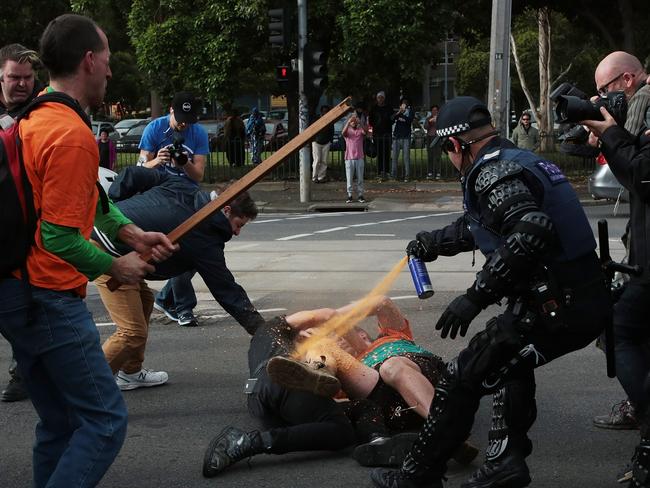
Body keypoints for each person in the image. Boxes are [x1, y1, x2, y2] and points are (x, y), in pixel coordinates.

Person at [370, 96, 611, 488]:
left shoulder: (492, 171)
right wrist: (432, 242)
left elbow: (531, 228)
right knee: (510, 367)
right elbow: (486, 223)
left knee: (459, 379)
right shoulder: (517, 160)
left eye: (445, 151)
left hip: (557, 305)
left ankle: (417, 477)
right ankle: (505, 464)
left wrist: (474, 297)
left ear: (455, 145)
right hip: (579, 299)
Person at [0, 14, 176, 487]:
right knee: (104, 422)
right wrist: (117, 264)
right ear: (90, 60)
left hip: (16, 291)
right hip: (48, 296)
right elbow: (56, 237)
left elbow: (90, 202)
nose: (111, 74)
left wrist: (132, 234)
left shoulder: (37, 114)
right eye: (109, 62)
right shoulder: (71, 134)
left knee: (58, 424)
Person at [93, 166, 265, 389]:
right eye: (238, 224)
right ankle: (86, 389)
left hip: (119, 250)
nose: (237, 232)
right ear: (226, 209)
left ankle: (130, 372)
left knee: (145, 301)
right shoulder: (206, 237)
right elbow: (227, 291)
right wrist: (262, 329)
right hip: (110, 253)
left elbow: (133, 174)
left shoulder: (183, 185)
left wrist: (114, 206)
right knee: (132, 332)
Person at [590, 51, 650, 431]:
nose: (601, 100)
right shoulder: (639, 105)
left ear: (626, 81)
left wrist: (608, 131)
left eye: (604, 91)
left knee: (618, 329)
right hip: (642, 249)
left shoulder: (645, 102)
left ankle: (645, 416)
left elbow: (643, 174)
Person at [137, 91, 210, 327]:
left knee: (200, 248)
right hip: (159, 195)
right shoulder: (154, 130)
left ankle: (166, 298)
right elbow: (140, 168)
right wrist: (157, 161)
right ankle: (184, 307)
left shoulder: (198, 132)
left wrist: (183, 162)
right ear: (170, 110)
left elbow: (198, 175)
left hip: (186, 195)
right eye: (179, 117)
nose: (183, 123)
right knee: (178, 246)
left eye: (188, 119)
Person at [0, 43, 41, 403]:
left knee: (25, 313)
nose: (22, 84)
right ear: (1, 76)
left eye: (28, 78)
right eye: (15, 77)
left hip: (29, 239)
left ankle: (24, 372)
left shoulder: (38, 114)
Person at [342, 113, 368, 203]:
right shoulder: (348, 131)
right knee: (349, 178)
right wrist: (348, 122)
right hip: (349, 157)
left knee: (360, 178)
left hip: (359, 157)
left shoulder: (360, 130)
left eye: (354, 121)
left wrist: (360, 122)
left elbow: (366, 132)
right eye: (352, 121)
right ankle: (350, 195)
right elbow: (343, 133)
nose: (353, 122)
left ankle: (360, 195)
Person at [369, 91, 393, 181]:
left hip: (387, 134)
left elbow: (392, 119)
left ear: (384, 98)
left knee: (386, 153)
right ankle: (379, 171)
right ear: (377, 98)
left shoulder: (389, 108)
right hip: (377, 134)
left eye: (382, 97)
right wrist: (372, 131)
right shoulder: (374, 108)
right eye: (379, 97)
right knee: (379, 153)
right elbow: (370, 121)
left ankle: (386, 171)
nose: (380, 99)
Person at [391, 97, 414, 181]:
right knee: (394, 157)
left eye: (406, 102)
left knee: (406, 158)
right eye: (403, 103)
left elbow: (409, 121)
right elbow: (392, 119)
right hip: (396, 137)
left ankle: (407, 175)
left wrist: (403, 115)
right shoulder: (398, 112)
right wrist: (399, 112)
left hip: (406, 137)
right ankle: (394, 175)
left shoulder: (410, 112)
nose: (404, 104)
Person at [312, 104, 334, 183]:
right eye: (324, 111)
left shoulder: (330, 120)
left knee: (324, 161)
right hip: (316, 142)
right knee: (317, 160)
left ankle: (321, 177)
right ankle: (314, 177)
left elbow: (332, 130)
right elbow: (313, 129)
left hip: (326, 142)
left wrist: (330, 141)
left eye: (326, 111)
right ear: (321, 112)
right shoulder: (316, 118)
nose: (325, 113)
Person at [424, 105, 441, 179]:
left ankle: (438, 173)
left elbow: (442, 127)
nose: (435, 112)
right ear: (431, 111)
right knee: (430, 156)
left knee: (437, 156)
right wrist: (429, 122)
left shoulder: (440, 118)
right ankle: (430, 172)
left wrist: (437, 121)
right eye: (433, 110)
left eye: (436, 110)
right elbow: (425, 127)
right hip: (430, 137)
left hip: (437, 137)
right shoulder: (428, 118)